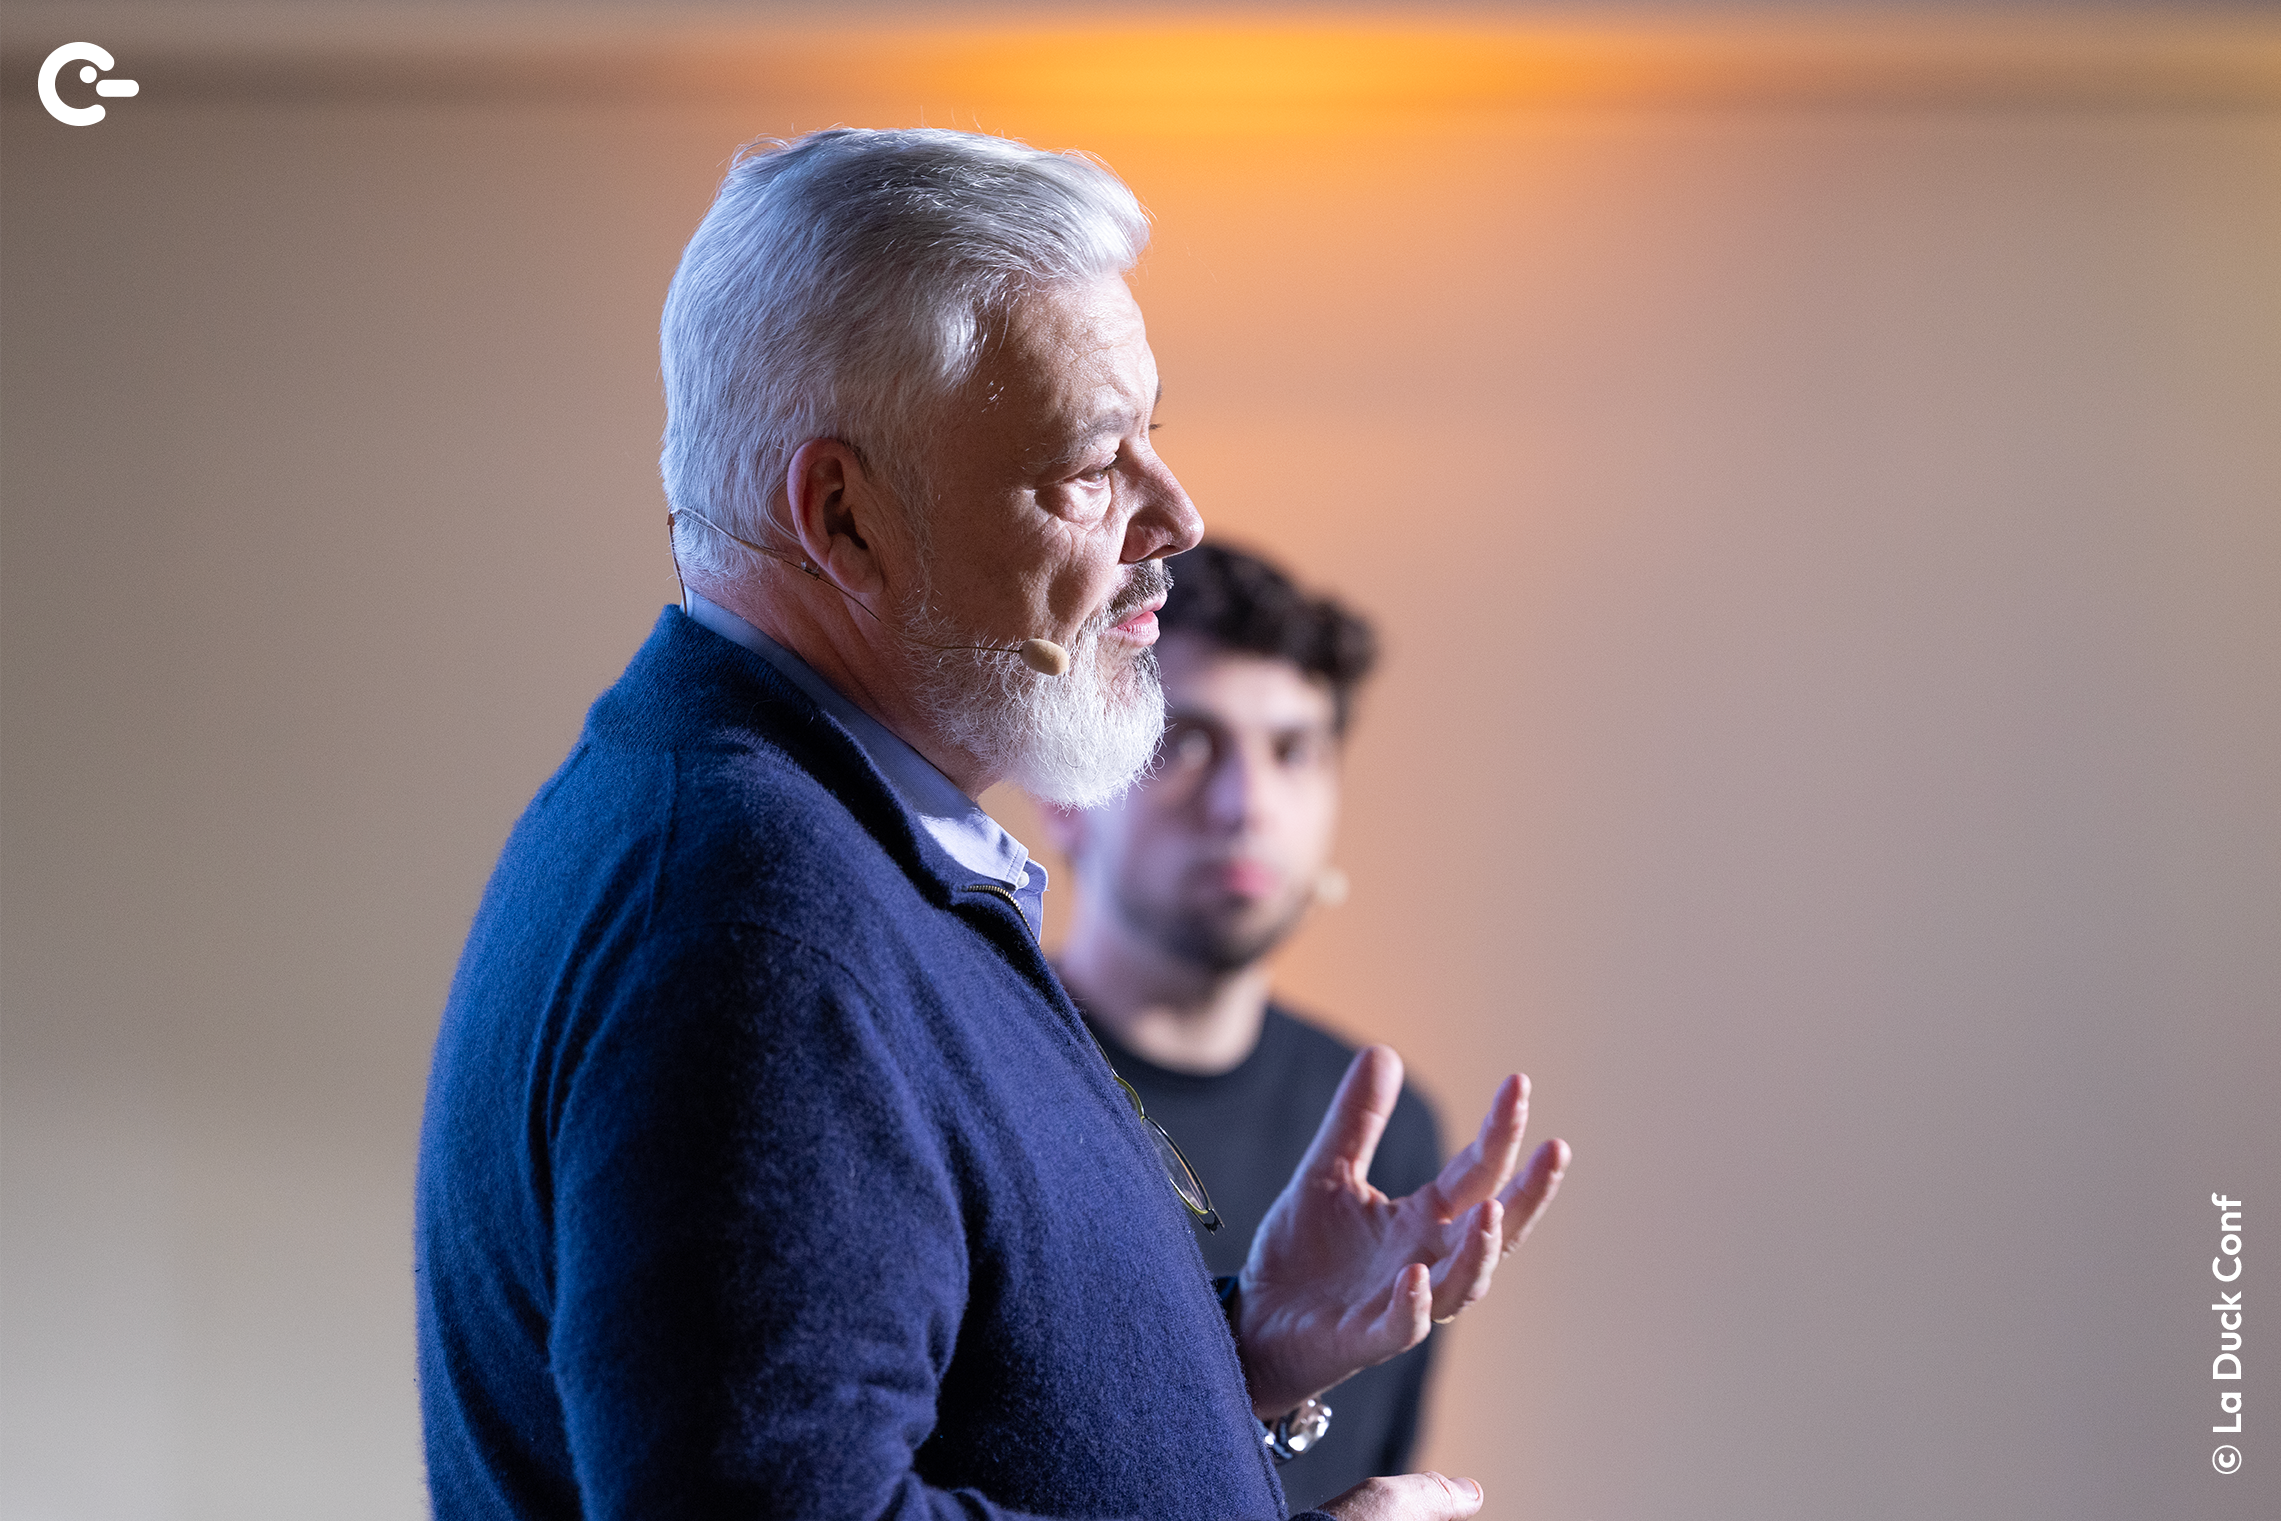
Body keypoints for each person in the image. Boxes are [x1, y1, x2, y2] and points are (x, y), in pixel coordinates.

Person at [414, 127, 1569, 1521]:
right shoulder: (754, 917)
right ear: (843, 518)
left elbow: (928, 1386)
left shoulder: (805, 841)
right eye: (1087, 465)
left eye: (1153, 438)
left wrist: (1237, 1348)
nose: (1175, 516)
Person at [1044, 542, 1441, 1511]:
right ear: (1066, 794)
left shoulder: (1384, 1133)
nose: (1247, 805)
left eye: (1292, 751)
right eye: (1186, 742)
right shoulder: (973, 1071)